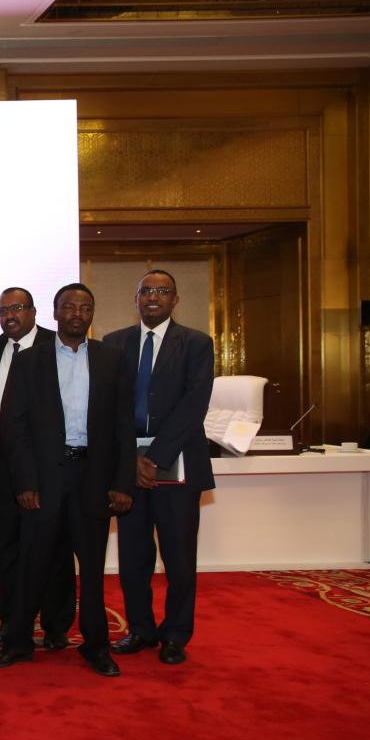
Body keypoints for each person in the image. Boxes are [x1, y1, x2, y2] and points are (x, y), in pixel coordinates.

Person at [0, 284, 134, 677]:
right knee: (31, 564)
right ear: (54, 312)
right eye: (69, 307)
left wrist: (122, 483)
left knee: (92, 568)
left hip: (93, 477)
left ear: (92, 314)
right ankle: (18, 642)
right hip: (45, 478)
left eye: (85, 308)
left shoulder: (111, 359)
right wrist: (25, 483)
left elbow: (123, 426)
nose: (77, 314)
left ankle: (96, 646)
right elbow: (15, 427)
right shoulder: (29, 360)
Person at [103, 270, 215, 666]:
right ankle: (140, 629)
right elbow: (109, 405)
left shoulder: (196, 344)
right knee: (133, 556)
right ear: (135, 298)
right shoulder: (114, 343)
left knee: (179, 557)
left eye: (162, 291)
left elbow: (194, 405)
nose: (153, 296)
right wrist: (131, 460)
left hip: (177, 461)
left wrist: (155, 458)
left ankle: (176, 634)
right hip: (128, 466)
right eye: (146, 290)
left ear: (175, 299)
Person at [0, 287, 74, 651]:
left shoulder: (57, 346)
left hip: (48, 463)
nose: (10, 316)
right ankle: (11, 619)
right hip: (3, 461)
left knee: (54, 545)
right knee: (9, 545)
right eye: (3, 311)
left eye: (17, 308)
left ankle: (55, 623)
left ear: (34, 311)